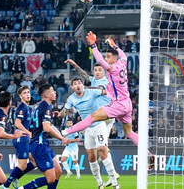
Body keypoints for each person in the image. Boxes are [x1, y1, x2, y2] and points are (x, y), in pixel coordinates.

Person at [62, 32, 154, 170]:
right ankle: (148, 153)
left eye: (108, 57)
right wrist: (115, 45)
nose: (106, 58)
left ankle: (65, 132)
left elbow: (99, 60)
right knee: (129, 133)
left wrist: (93, 45)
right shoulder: (123, 61)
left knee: (92, 117)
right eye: (106, 56)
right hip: (127, 103)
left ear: (114, 59)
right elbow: (123, 54)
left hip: (117, 104)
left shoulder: (114, 69)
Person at [57, 78, 120, 189]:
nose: (78, 85)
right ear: (72, 87)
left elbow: (107, 92)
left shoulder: (92, 92)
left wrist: (116, 94)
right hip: (87, 129)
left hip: (99, 125)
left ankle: (115, 183)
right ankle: (100, 183)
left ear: (83, 85)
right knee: (91, 157)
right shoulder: (72, 99)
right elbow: (65, 111)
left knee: (102, 151)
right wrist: (60, 114)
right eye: (75, 84)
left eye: (79, 83)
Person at [65, 59, 120, 186]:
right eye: (95, 70)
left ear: (104, 72)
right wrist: (75, 65)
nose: (97, 72)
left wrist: (82, 88)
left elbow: (97, 89)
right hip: (97, 117)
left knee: (102, 146)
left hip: (105, 115)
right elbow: (84, 74)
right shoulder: (94, 79)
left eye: (100, 70)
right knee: (98, 144)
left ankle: (113, 172)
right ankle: (106, 165)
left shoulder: (105, 82)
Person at [14, 84, 70, 189]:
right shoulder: (46, 107)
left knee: (58, 171)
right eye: (52, 91)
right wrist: (62, 138)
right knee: (50, 178)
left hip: (43, 142)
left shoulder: (39, 106)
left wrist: (51, 116)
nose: (55, 92)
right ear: (46, 94)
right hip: (39, 145)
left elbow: (38, 125)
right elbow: (46, 127)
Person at [0, 86, 37, 189]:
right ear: (20, 96)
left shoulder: (27, 107)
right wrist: (28, 132)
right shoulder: (22, 107)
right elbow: (17, 123)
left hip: (24, 138)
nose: (28, 94)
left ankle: (16, 177)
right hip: (21, 138)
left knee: (35, 161)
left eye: (28, 92)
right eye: (25, 93)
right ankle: (5, 185)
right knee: (22, 165)